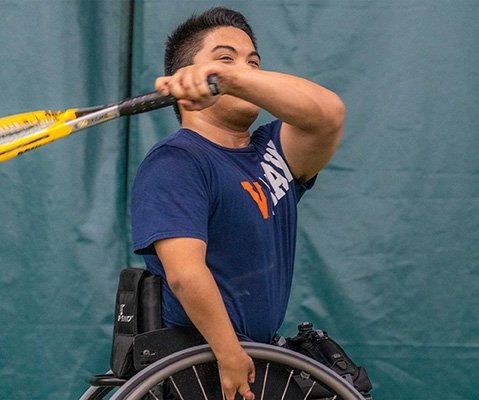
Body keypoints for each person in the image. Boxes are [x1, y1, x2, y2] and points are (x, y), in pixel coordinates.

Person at [131, 7, 344, 400]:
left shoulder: (274, 151)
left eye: (254, 64)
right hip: (202, 366)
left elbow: (328, 114)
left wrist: (230, 77)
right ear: (187, 81)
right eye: (224, 58)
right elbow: (184, 273)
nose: (246, 71)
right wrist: (229, 353)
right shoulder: (176, 162)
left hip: (258, 359)